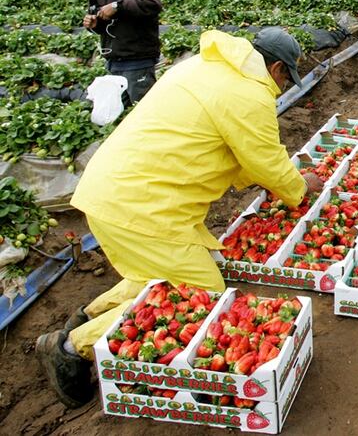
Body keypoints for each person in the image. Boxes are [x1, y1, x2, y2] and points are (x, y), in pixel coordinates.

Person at [36, 28, 323, 408]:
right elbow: (265, 159)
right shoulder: (250, 93)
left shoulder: (205, 68)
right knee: (201, 293)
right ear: (275, 68)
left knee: (151, 276)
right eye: (287, 76)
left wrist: (271, 180)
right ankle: (72, 348)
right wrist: (299, 187)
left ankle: (86, 314)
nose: (284, 85)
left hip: (116, 190)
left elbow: (227, 150)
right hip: (143, 206)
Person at [79, 0, 162, 105]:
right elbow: (98, 19)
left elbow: (152, 4)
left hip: (138, 59)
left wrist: (117, 6)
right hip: (113, 61)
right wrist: (93, 24)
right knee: (117, 111)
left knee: (143, 110)